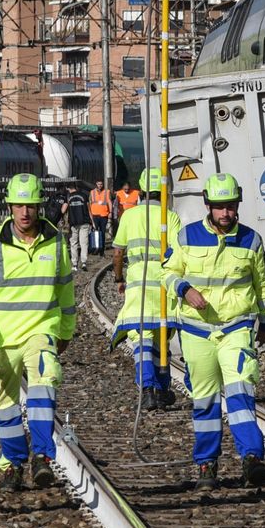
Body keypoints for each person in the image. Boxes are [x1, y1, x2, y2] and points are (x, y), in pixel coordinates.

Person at [162, 173, 265, 491]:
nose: (226, 213)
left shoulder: (251, 241)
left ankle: (252, 458)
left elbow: (262, 286)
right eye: (219, 207)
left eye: (230, 206)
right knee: (205, 401)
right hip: (197, 332)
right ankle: (206, 465)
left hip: (236, 329)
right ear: (208, 206)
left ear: (237, 204)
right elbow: (167, 272)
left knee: (241, 392)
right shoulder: (186, 237)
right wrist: (184, 289)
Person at [0, 173, 76, 492]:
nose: (25, 212)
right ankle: (12, 463)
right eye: (19, 205)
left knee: (44, 378)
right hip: (0, 338)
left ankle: (42, 456)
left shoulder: (56, 242)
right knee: (5, 404)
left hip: (40, 330)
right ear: (10, 206)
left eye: (31, 205)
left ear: (39, 206)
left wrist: (66, 330)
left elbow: (65, 290)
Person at [110, 168, 182, 410]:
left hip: (139, 286)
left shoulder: (129, 217)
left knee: (141, 339)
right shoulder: (169, 217)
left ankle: (148, 389)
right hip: (163, 285)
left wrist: (119, 277)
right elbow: (179, 251)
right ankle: (162, 389)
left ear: (141, 191)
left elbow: (118, 252)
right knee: (162, 338)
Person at [61, 182, 92, 270]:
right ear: (76, 187)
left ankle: (74, 264)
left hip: (73, 223)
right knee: (84, 243)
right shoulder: (84, 195)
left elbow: (63, 210)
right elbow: (89, 209)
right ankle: (84, 263)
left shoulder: (68, 197)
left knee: (74, 243)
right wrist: (92, 222)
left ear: (68, 188)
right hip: (84, 222)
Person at [88, 180, 111, 254]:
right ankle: (94, 248)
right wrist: (90, 214)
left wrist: (110, 212)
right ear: (96, 184)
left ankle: (101, 249)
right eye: (98, 184)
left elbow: (109, 202)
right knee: (95, 232)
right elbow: (89, 202)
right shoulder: (92, 192)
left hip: (104, 215)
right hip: (94, 214)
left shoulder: (107, 192)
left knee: (103, 232)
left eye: (101, 184)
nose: (100, 185)